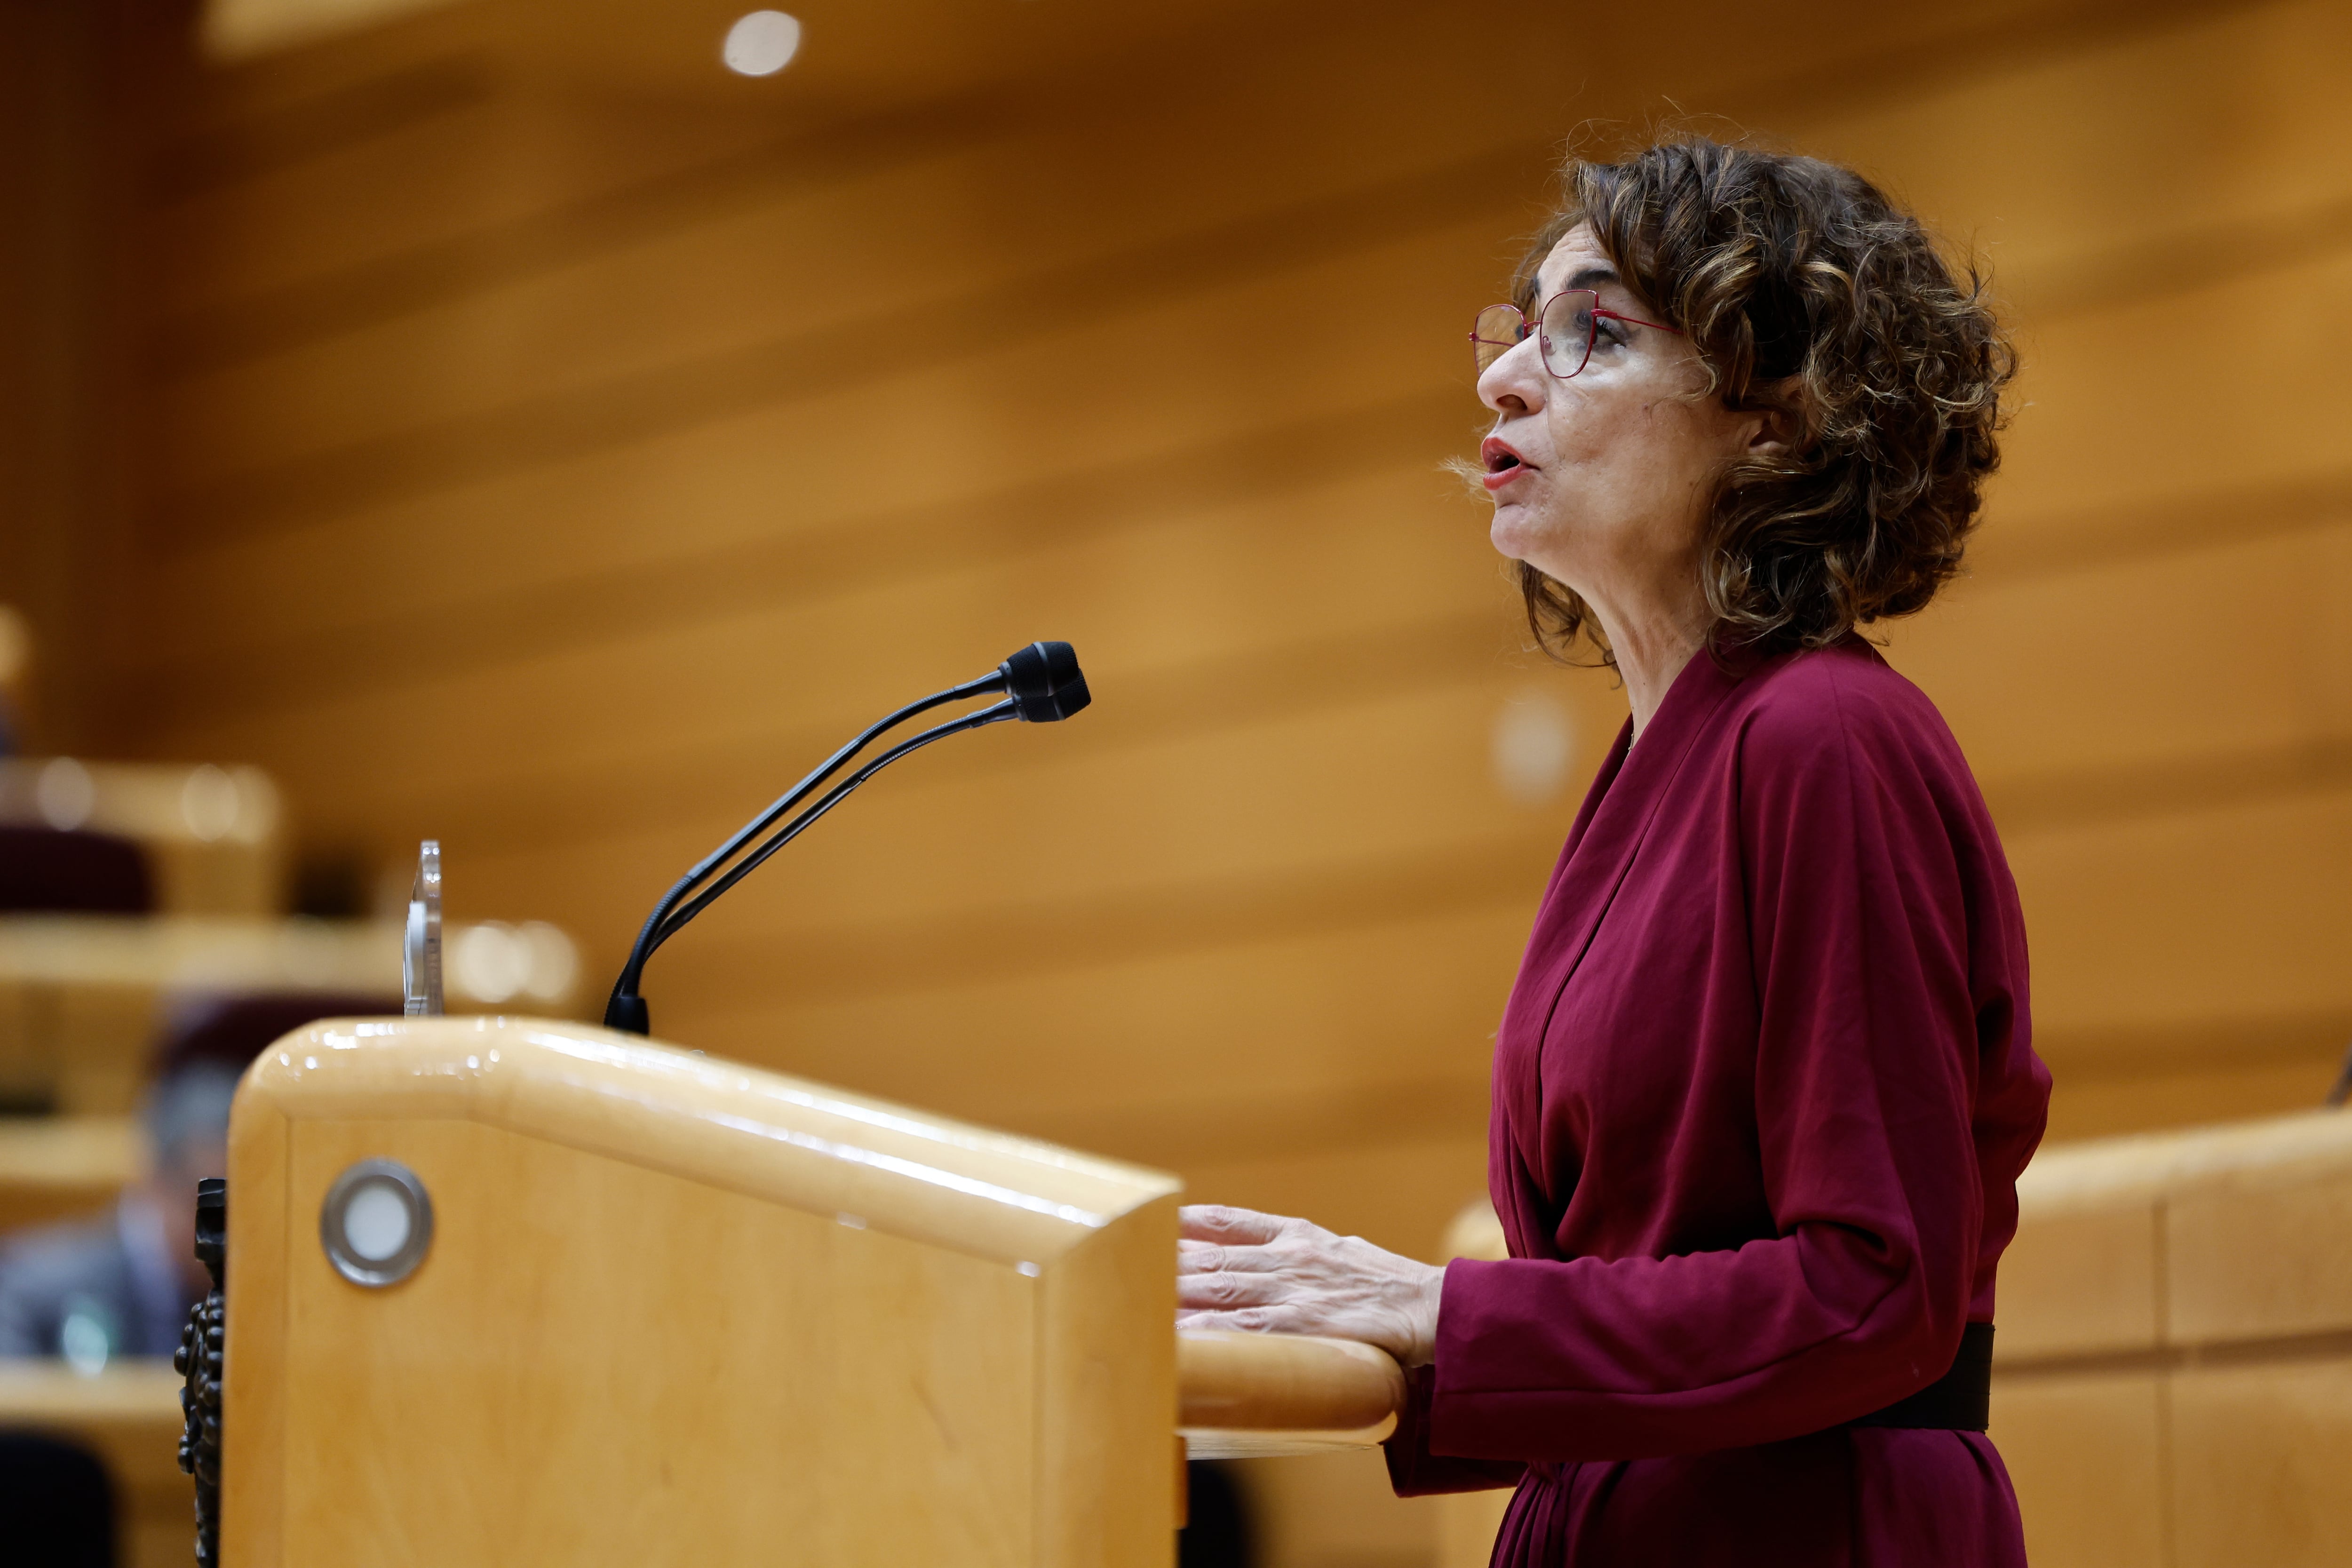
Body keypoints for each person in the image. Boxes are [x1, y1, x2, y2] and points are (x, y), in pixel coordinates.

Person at [1175, 135, 2051, 1565]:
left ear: (1777, 415)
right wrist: (1320, 1330)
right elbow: (1648, 1291)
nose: (1501, 379)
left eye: (1592, 332)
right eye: (1515, 332)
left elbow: (1869, 1294)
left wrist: (1435, 1307)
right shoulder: (1663, 755)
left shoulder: (1825, 740)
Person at [0, 1060, 235, 1364]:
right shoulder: (32, 1292)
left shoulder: (266, 1301)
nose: (232, 1230)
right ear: (159, 1183)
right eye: (215, 1206)